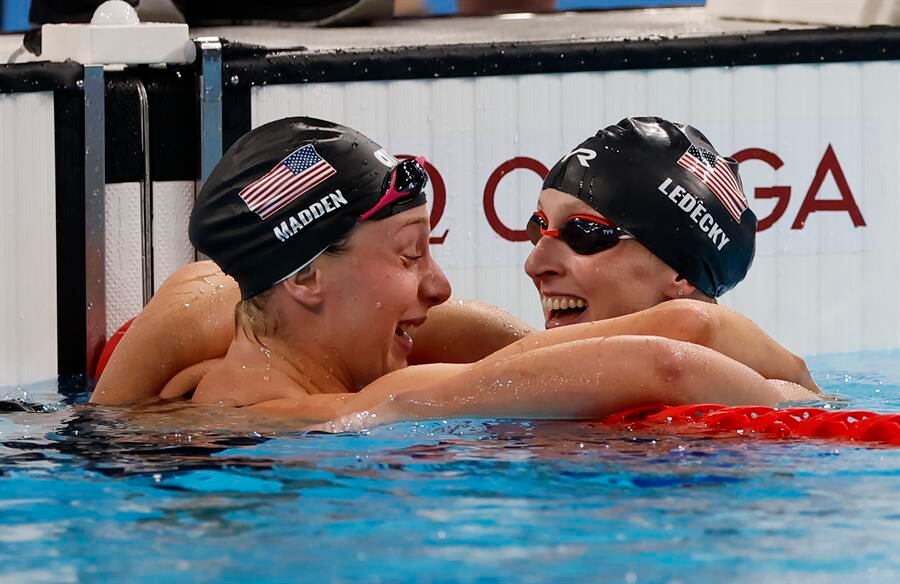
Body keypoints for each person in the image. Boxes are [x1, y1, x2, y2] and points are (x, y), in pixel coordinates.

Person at [91, 116, 816, 427]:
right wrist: (814, 406)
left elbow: (207, 289)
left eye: (586, 234)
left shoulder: (232, 351)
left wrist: (111, 412)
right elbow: (670, 350)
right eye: (412, 253)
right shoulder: (351, 410)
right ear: (307, 278)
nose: (438, 286)